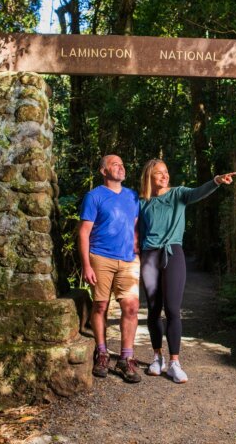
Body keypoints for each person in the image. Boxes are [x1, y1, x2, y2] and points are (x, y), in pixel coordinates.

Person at [138, 159, 236, 383]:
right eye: (159, 173)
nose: (165, 176)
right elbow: (138, 232)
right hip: (149, 255)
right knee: (153, 309)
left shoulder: (178, 194)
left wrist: (216, 181)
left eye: (166, 172)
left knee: (172, 308)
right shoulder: (142, 202)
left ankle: (174, 362)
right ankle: (156, 358)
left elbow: (198, 192)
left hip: (173, 253)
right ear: (149, 177)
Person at [78, 155, 142, 383]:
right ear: (104, 171)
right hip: (100, 257)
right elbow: (84, 231)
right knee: (100, 306)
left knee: (131, 307)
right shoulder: (94, 196)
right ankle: (102, 353)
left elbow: (134, 226)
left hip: (128, 260)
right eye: (115, 164)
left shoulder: (132, 196)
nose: (121, 167)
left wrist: (136, 249)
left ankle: (126, 358)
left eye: (123, 164)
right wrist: (86, 265)